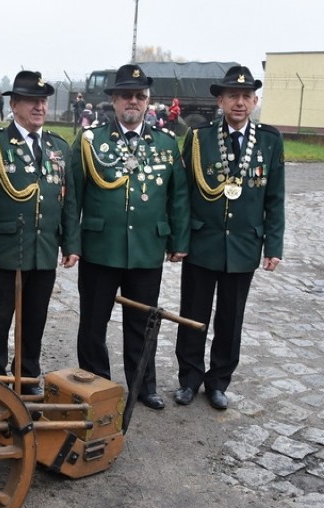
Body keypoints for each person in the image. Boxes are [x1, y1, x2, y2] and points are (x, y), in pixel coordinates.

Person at [72, 63, 190, 410]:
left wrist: (179, 241)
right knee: (93, 321)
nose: (133, 102)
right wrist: (72, 244)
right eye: (126, 96)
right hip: (99, 248)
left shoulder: (166, 144)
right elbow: (74, 196)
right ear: (114, 101)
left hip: (145, 250)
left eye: (139, 96)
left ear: (148, 101)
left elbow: (178, 196)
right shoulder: (90, 141)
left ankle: (143, 385)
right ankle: (94, 384)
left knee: (143, 322)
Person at [174, 65, 285, 410]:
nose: (239, 102)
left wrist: (274, 245)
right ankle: (189, 379)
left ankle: (219, 381)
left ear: (254, 101)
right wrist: (179, 241)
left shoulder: (269, 140)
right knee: (194, 315)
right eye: (232, 96)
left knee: (230, 319)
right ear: (220, 100)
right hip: (202, 243)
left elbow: (275, 197)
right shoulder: (199, 138)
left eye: (246, 96)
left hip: (243, 246)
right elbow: (182, 193)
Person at [0, 70, 80, 389]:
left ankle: (27, 377)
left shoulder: (59, 146)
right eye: (32, 101)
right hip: (4, 250)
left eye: (43, 101)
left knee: (34, 322)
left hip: (43, 250)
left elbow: (67, 199)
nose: (40, 107)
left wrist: (71, 244)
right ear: (14, 105)